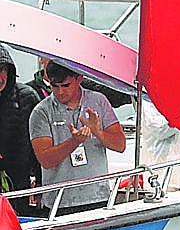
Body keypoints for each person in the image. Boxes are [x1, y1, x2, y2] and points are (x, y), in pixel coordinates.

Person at [28, 61, 126, 214]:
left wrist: (98, 132)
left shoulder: (99, 101)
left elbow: (120, 145)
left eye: (66, 85)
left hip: (98, 196)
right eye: (55, 86)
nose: (60, 92)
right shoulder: (40, 112)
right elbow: (46, 160)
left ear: (80, 78)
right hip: (59, 203)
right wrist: (75, 141)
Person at [0, 48, 40, 216]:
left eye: (1, 69)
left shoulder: (27, 97)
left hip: (19, 182)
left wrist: (40, 184)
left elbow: (41, 144)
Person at [27, 57, 131, 110]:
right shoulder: (28, 92)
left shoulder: (82, 84)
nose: (56, 63)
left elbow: (117, 96)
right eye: (51, 57)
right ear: (41, 59)